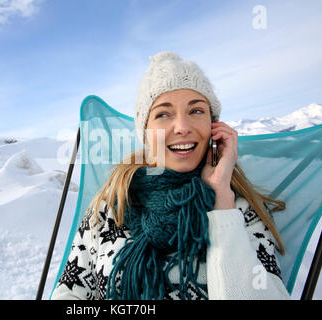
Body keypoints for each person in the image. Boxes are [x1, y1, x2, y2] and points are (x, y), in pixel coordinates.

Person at [51, 51, 291, 300]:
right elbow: (70, 293)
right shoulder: (111, 206)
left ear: (214, 125)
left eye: (196, 111)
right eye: (163, 114)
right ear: (146, 133)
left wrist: (221, 201)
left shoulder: (242, 211)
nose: (183, 127)